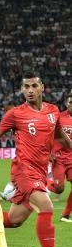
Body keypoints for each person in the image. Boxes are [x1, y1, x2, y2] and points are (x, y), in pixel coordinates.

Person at [0, 72, 72, 247]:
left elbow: (59, 136)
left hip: (41, 172)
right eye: (26, 87)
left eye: (34, 86)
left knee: (14, 220)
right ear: (22, 90)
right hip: (23, 170)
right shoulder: (16, 114)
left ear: (42, 87)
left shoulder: (53, 111)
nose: (30, 90)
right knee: (46, 204)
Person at [49, 92, 72, 222]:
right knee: (59, 189)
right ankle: (46, 183)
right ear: (66, 104)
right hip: (58, 158)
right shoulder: (59, 118)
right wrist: (49, 151)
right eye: (70, 102)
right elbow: (49, 135)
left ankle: (66, 215)